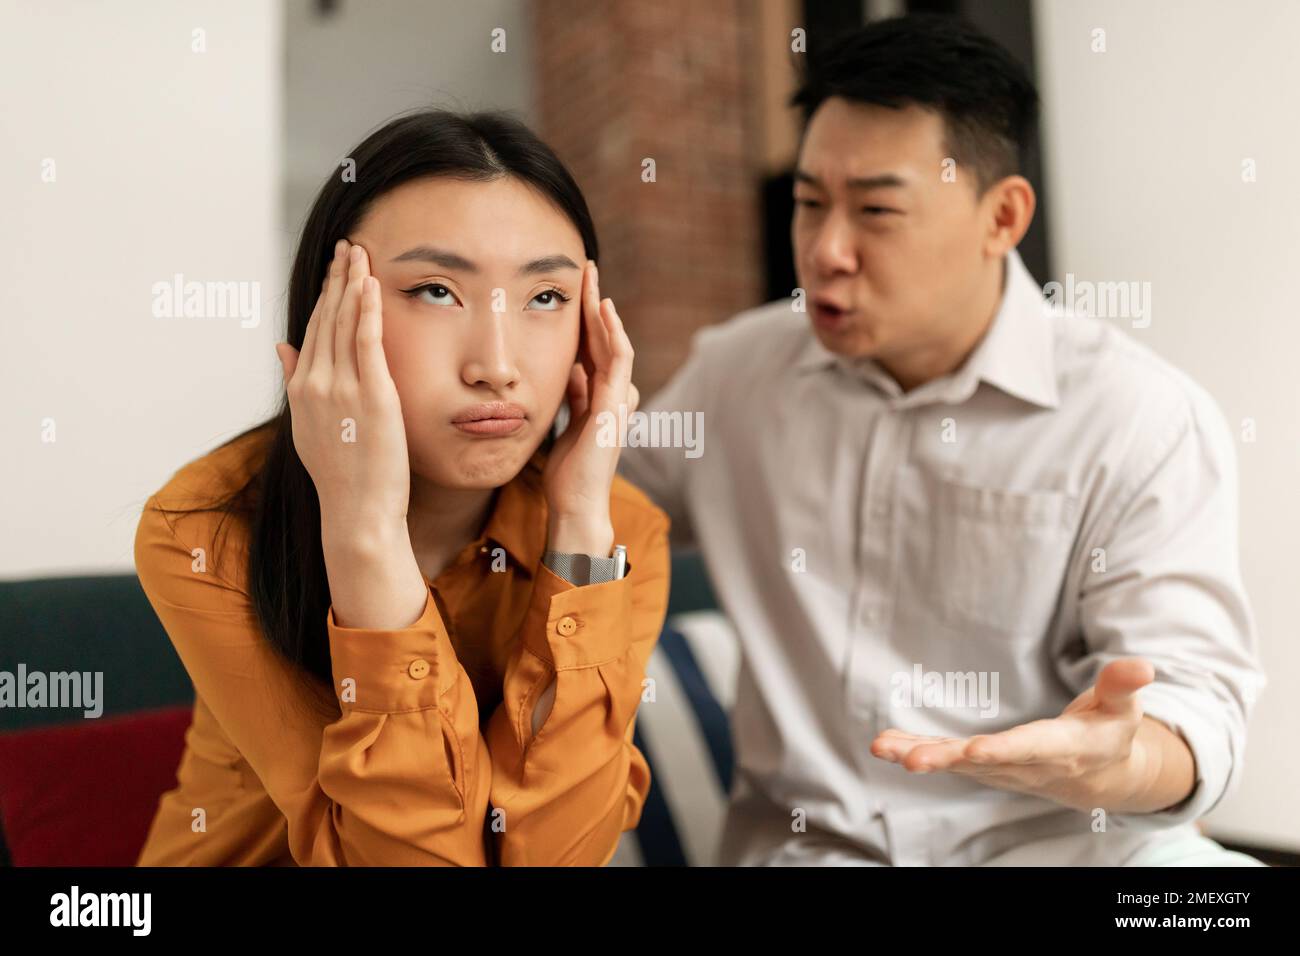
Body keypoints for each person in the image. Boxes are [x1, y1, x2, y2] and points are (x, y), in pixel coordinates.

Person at [617, 14, 1265, 866]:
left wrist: (1126, 761)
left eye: (877, 210)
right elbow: (580, 508)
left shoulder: (1135, 418)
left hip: (1064, 846)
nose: (826, 251)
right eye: (809, 204)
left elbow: (1198, 707)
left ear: (1003, 216)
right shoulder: (735, 377)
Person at [134, 109, 670, 866]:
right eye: (435, 291)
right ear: (330, 312)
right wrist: (366, 534)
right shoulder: (203, 529)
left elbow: (562, 853)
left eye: (544, 297)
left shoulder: (623, 533)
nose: (497, 364)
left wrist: (580, 528)